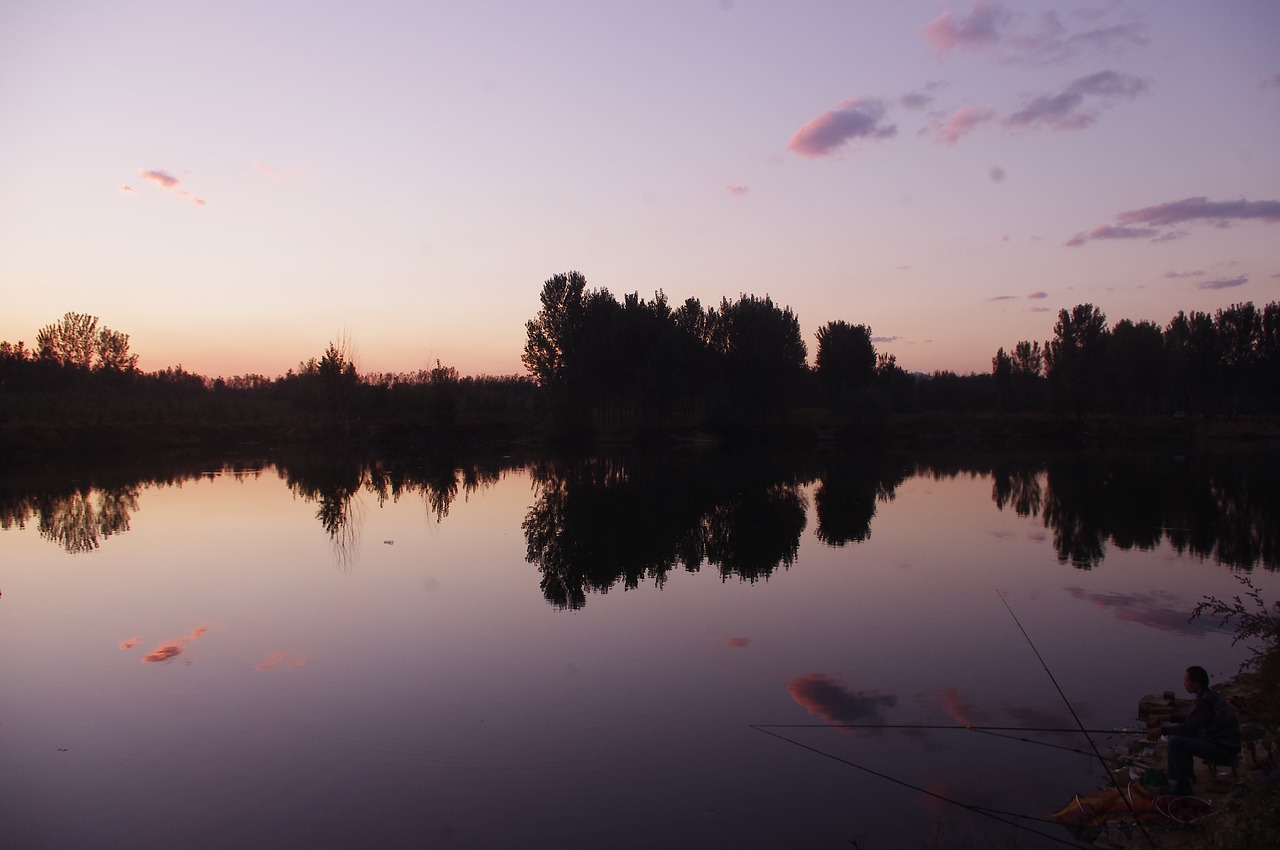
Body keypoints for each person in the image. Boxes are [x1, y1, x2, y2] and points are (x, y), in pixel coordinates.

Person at [1146, 666, 1241, 795]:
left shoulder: (1205, 702)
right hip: (1222, 743)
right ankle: (1187, 777)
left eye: (1186, 681)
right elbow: (1193, 721)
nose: (1184, 684)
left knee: (1175, 742)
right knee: (1182, 737)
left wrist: (1162, 730)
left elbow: (1189, 728)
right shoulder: (1210, 696)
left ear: (1196, 683)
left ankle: (1182, 786)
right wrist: (1170, 718)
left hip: (1224, 749)